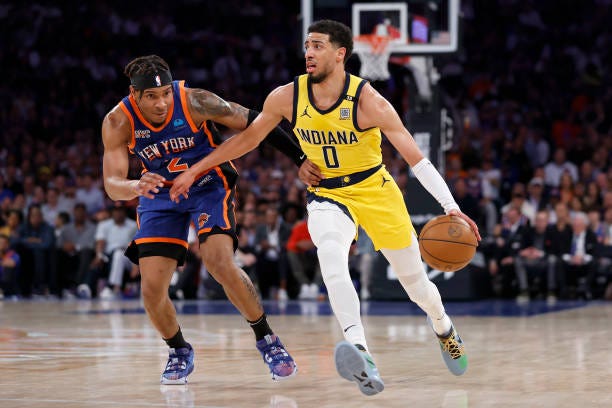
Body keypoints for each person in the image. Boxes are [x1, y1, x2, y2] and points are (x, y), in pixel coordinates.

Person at [169, 20, 481, 395]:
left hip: (376, 190)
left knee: (416, 286)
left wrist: (451, 207)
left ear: (340, 54)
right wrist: (196, 170)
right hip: (327, 194)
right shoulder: (286, 96)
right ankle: (361, 352)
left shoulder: (369, 102)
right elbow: (249, 138)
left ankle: (444, 326)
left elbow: (417, 159)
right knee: (331, 256)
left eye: (318, 46)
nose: (309, 53)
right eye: (306, 46)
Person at [101, 55, 320, 384]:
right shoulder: (118, 121)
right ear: (135, 94)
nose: (161, 104)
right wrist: (134, 184)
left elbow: (258, 122)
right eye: (151, 97)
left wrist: (299, 158)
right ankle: (178, 350)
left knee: (218, 261)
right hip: (160, 193)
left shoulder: (196, 100)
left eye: (165, 95)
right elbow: (111, 185)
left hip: (208, 182)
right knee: (151, 289)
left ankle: (267, 340)